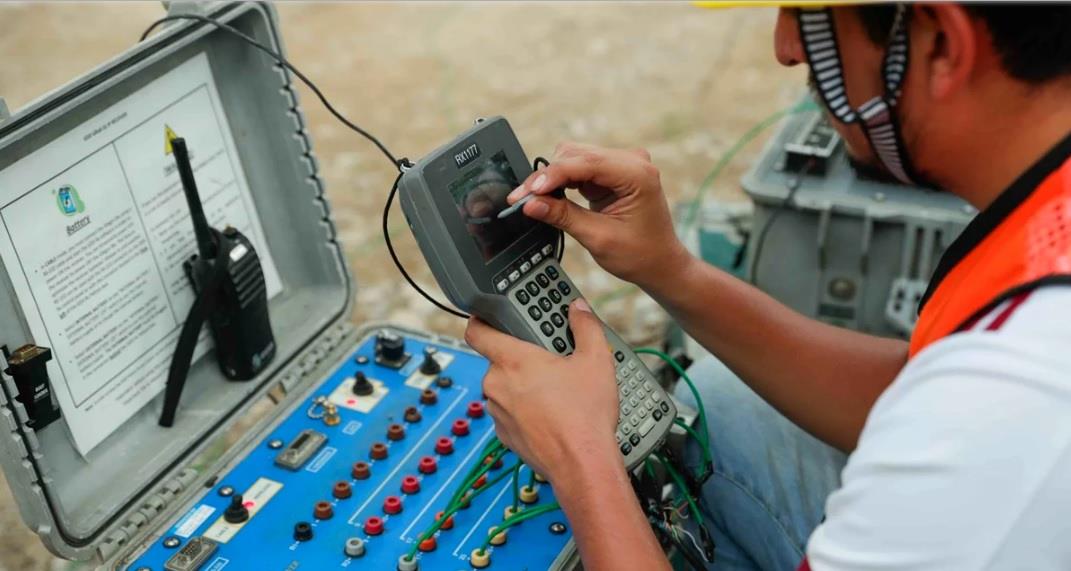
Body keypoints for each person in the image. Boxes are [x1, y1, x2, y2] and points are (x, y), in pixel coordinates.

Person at [463, 4, 1071, 570]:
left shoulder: (1013, 396)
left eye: (811, 19)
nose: (786, 49)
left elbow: (967, 409)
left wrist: (581, 457)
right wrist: (670, 269)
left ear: (943, 44)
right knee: (726, 401)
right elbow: (909, 394)